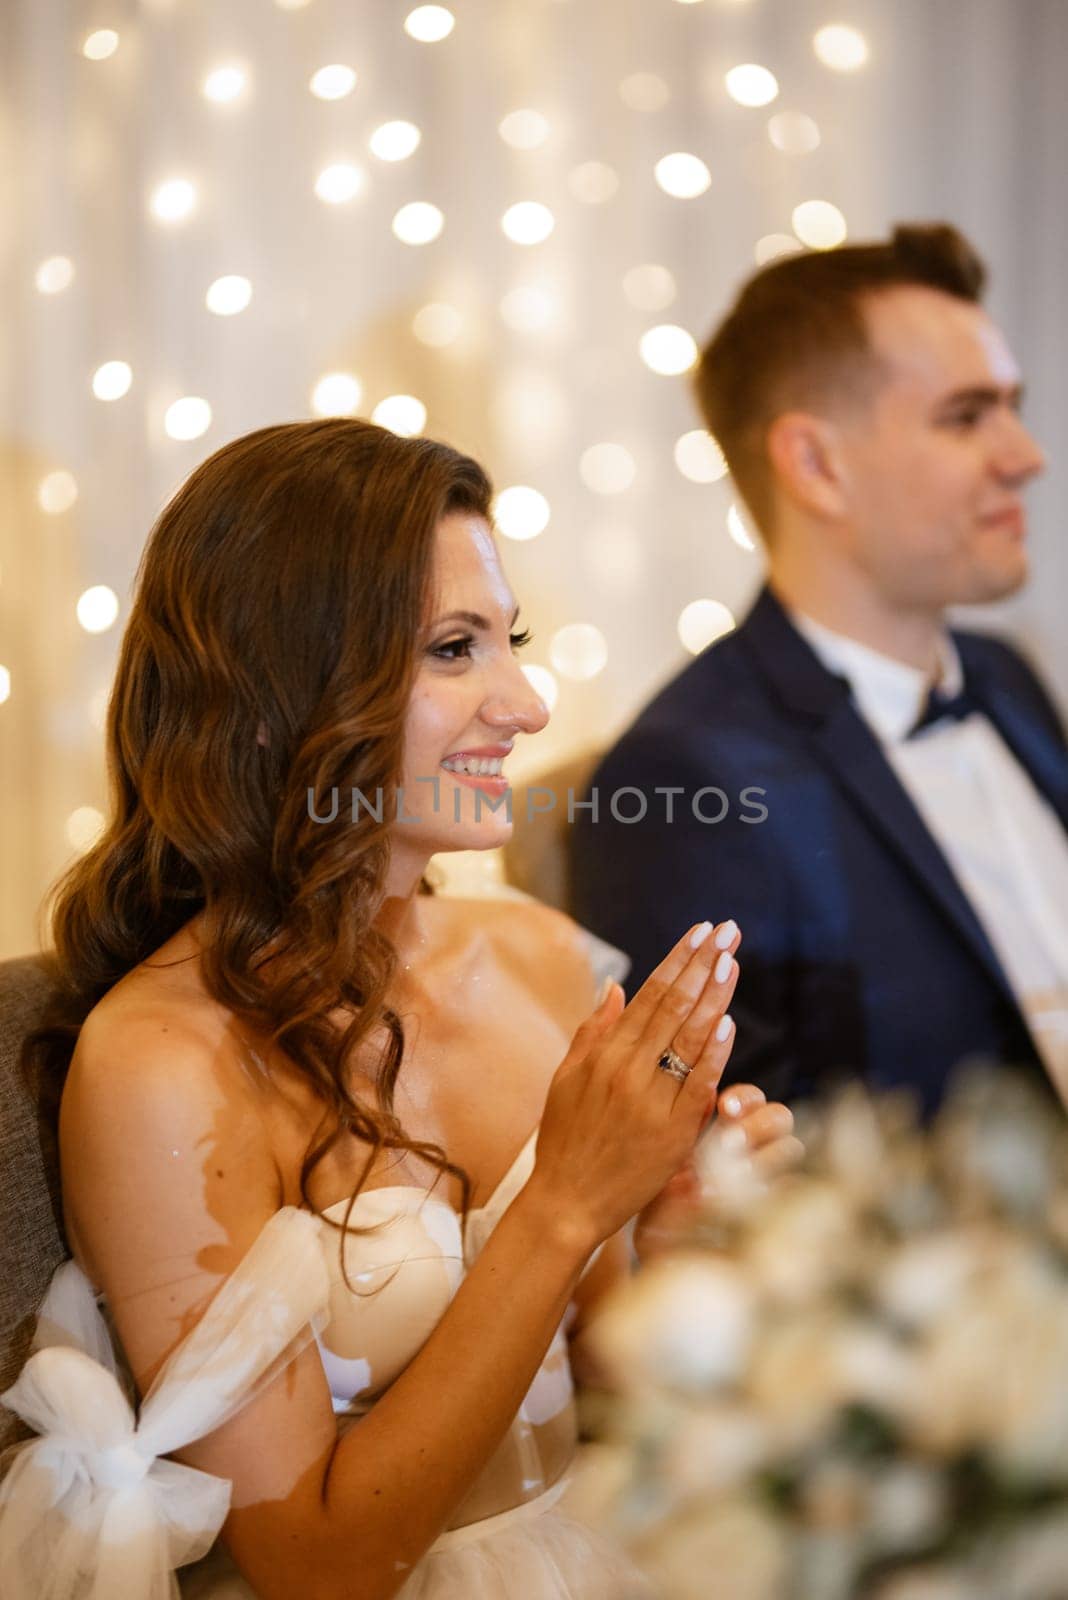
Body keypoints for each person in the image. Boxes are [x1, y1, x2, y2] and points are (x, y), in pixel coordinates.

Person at [0, 419, 799, 1600]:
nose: (525, 706)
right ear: (277, 690)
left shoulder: (541, 957)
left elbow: (608, 1399)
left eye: (507, 640)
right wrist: (568, 1203)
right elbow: (314, 1567)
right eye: (455, 649)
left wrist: (668, 1238)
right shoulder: (160, 1065)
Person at [573, 223, 1068, 1114]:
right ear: (816, 465)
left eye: (1013, 407)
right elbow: (743, 1195)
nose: (1025, 458)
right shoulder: (683, 780)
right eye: (966, 415)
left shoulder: (1007, 679)